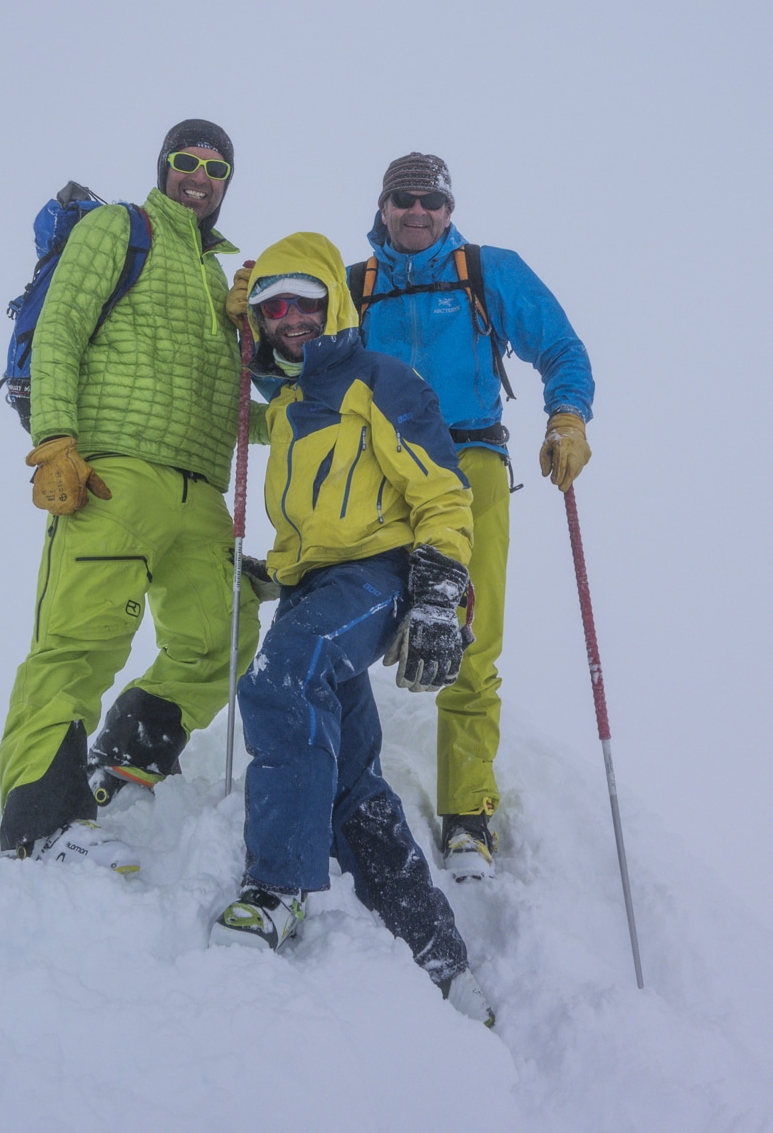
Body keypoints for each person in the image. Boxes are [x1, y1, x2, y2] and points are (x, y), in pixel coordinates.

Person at [211, 232, 494, 1027]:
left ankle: (277, 887)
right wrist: (272, 570)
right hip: (313, 590)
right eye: (274, 307)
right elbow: (316, 516)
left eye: (305, 300)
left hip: (380, 576)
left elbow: (443, 493)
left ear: (334, 300)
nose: (290, 317)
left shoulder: (382, 381)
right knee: (344, 777)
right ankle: (438, 955)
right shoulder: (289, 408)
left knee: (280, 681)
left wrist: (438, 595)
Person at [0, 119, 266, 872]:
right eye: (186, 160)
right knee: (80, 641)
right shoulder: (122, 227)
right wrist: (56, 437)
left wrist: (272, 344)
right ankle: (40, 819)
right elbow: (61, 331)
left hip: (200, 491)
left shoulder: (219, 281)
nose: (199, 175)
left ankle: (124, 757)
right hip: (114, 474)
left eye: (216, 168)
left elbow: (244, 409)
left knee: (226, 635)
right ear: (165, 166)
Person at [350, 151, 595, 880]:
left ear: (450, 209)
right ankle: (341, 787)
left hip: (472, 460)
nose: (417, 211)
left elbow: (560, 347)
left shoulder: (484, 272)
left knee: (469, 633)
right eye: (403, 198)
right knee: (352, 620)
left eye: (431, 200)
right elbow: (299, 354)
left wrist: (567, 417)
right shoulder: (356, 285)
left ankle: (468, 815)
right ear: (384, 208)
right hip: (382, 467)